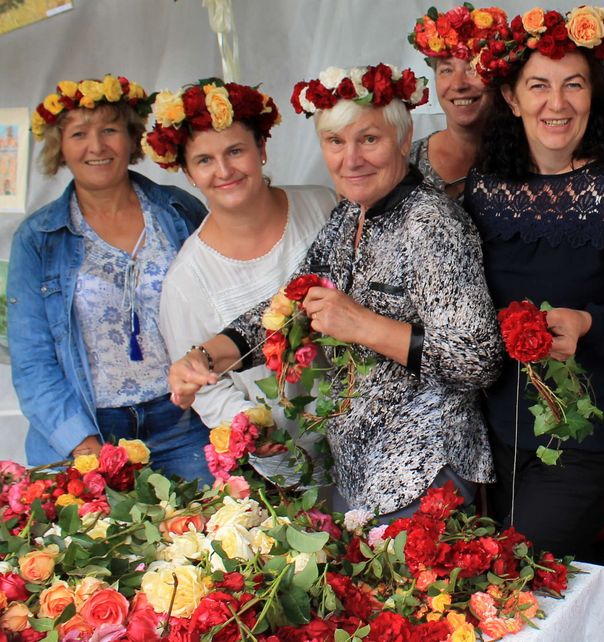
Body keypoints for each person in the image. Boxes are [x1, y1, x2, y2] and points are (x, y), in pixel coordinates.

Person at [170, 62, 501, 516]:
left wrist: (364, 326)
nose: (351, 159)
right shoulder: (350, 214)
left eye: (369, 139)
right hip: (359, 466)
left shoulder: (432, 224)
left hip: (424, 468)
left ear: (404, 141)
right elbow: (290, 304)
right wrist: (206, 356)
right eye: (335, 142)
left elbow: (477, 360)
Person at [465, 6, 604, 559]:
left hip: (587, 437)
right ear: (511, 98)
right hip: (501, 431)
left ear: (593, 95)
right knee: (529, 595)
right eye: (539, 86)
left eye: (573, 85)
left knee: (519, 575)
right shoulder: (487, 184)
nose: (557, 104)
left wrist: (589, 324)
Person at [9, 76, 211, 481]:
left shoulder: (178, 210)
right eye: (79, 133)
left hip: (183, 423)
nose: (96, 146)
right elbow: (32, 362)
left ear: (131, 138)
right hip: (88, 429)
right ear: (60, 147)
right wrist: (85, 447)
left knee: (212, 534)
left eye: (109, 130)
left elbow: (219, 306)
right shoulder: (38, 238)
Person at [148, 80, 336, 456]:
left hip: (364, 420)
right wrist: (251, 425)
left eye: (235, 151)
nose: (224, 170)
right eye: (204, 160)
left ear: (261, 149)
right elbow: (208, 389)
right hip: (287, 451)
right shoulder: (187, 280)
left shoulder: (323, 206)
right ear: (187, 173)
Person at [407, 5, 503, 199]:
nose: (458, 85)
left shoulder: (528, 159)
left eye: (473, 68)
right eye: (447, 70)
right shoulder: (407, 164)